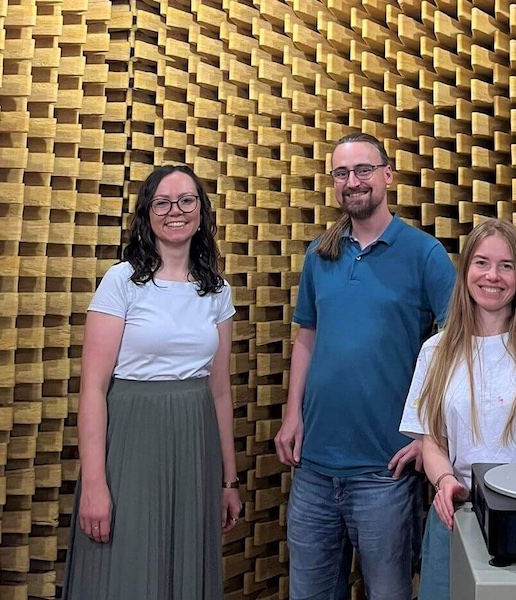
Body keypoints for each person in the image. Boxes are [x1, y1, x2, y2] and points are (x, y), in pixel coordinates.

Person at [274, 133, 456, 600]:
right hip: (314, 468)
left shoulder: (424, 254)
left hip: (385, 472)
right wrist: (292, 415)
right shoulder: (321, 254)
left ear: (387, 175)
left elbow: (458, 347)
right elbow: (306, 338)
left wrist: (431, 438)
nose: (352, 182)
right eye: (342, 173)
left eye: (363, 170)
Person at [64, 165, 241, 599]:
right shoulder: (121, 282)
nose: (175, 211)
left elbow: (219, 392)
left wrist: (229, 480)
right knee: (127, 572)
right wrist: (94, 484)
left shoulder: (217, 290)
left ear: (201, 211)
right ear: (147, 213)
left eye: (186, 200)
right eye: (162, 202)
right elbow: (92, 390)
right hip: (132, 445)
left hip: (195, 448)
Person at [399, 218, 516, 600]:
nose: (493, 276)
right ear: (466, 269)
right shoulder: (436, 352)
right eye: (482, 263)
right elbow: (433, 440)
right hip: (455, 514)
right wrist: (444, 481)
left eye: (506, 265)